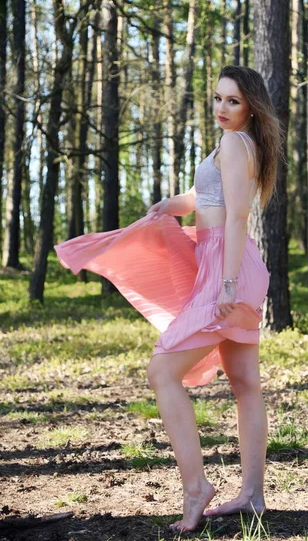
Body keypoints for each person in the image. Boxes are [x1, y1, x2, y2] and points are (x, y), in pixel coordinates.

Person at [54, 65, 283, 533]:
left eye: (233, 101)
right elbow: (206, 197)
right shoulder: (234, 145)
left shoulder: (238, 145)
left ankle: (197, 488)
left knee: (163, 371)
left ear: (251, 105)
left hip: (228, 269)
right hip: (230, 265)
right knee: (244, 383)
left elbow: (236, 218)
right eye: (218, 98)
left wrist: (227, 285)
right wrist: (168, 206)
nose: (222, 108)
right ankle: (253, 495)